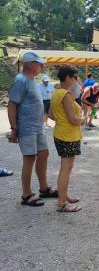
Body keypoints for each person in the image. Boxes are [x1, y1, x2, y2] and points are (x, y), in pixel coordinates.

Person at [7, 52, 58, 207]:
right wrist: (14, 128)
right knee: (29, 158)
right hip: (27, 127)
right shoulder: (21, 80)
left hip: (37, 126)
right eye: (39, 63)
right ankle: (26, 194)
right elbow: (12, 104)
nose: (42, 66)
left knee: (43, 153)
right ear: (30, 64)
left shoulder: (32, 80)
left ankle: (44, 188)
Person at [49, 65, 83, 212]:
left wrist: (62, 120)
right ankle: (61, 203)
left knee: (65, 168)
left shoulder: (57, 92)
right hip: (68, 136)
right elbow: (74, 119)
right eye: (75, 77)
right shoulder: (67, 95)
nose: (76, 80)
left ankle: (64, 196)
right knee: (65, 169)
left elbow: (50, 114)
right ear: (68, 77)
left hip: (61, 134)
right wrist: (83, 119)